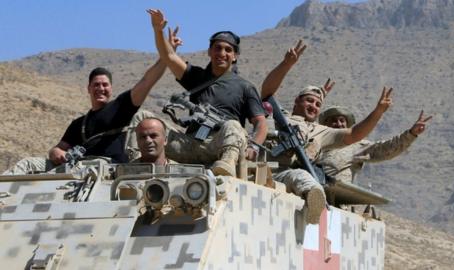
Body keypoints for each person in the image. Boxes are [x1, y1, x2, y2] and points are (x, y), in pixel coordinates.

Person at [3, 28, 183, 175]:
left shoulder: (121, 108)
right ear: (88, 88)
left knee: (50, 180)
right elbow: (57, 149)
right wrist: (58, 154)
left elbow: (147, 81)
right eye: (96, 85)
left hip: (106, 168)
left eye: (105, 85)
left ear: (111, 88)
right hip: (77, 166)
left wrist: (167, 56)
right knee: (27, 164)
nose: (100, 89)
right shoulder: (79, 124)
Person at [261, 40, 394, 224]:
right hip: (260, 168)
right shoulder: (278, 115)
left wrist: (378, 112)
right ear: (296, 101)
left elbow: (354, 134)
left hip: (289, 176)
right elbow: (267, 91)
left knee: (303, 177)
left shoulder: (321, 131)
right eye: (309, 101)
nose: (313, 106)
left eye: (317, 104)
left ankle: (315, 206)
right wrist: (287, 64)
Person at [147, 9, 267, 177]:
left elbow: (261, 123)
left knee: (233, 125)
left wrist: (253, 147)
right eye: (217, 48)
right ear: (209, 52)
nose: (222, 54)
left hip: (219, 148)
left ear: (235, 56)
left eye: (228, 50)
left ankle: (226, 167)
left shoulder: (245, 87)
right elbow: (168, 56)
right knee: (144, 120)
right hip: (189, 144)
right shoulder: (196, 77)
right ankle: (136, 165)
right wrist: (158, 30)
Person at [317, 107, 432, 183]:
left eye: (342, 120)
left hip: (336, 205)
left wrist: (411, 134)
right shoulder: (314, 142)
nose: (338, 124)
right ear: (325, 124)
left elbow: (386, 149)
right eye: (333, 120)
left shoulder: (354, 145)